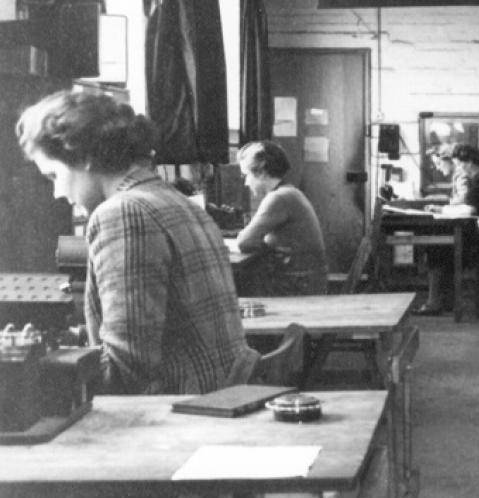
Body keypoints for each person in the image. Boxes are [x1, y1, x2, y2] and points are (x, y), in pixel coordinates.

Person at [16, 90, 245, 396]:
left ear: (83, 158)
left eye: (53, 174)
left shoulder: (123, 212)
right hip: (214, 396)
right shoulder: (177, 201)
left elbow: (128, 371)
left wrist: (30, 369)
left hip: (173, 416)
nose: (57, 192)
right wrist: (70, 340)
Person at [413, 144, 479, 315]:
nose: (458, 168)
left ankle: (436, 302)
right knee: (441, 246)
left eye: (459, 164)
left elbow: (469, 210)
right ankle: (444, 301)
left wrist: (441, 210)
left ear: (470, 162)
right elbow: (470, 207)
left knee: (437, 248)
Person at [236, 140, 328, 296]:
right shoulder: (289, 192)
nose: (246, 183)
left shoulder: (279, 198)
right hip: (306, 280)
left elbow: (244, 242)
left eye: (247, 175)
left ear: (263, 172)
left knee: (239, 286)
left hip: (298, 285)